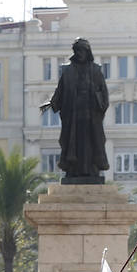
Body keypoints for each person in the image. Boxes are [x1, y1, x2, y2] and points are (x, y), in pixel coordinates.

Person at [44, 38, 110, 180]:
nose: (80, 53)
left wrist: (100, 105)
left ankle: (92, 171)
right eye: (77, 50)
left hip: (91, 115)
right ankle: (73, 171)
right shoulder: (67, 70)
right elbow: (60, 91)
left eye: (82, 50)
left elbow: (104, 93)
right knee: (72, 142)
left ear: (87, 52)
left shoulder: (96, 70)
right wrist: (52, 103)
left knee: (91, 143)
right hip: (73, 114)